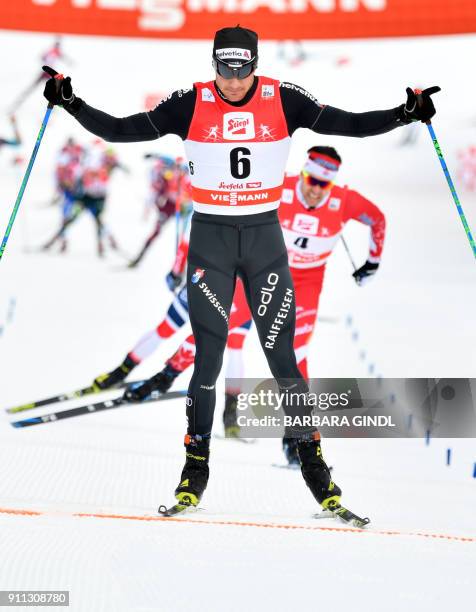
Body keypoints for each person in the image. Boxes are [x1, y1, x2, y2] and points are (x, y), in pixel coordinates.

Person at [43, 26, 439, 517]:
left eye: (242, 69)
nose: (232, 80)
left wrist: (405, 114)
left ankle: (318, 474)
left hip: (263, 244)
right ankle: (194, 471)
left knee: (284, 361)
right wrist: (71, 103)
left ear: (254, 64)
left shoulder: (285, 97)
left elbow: (349, 123)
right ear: (214, 64)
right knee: (207, 360)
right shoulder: (190, 101)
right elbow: (123, 129)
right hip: (211, 242)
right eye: (224, 69)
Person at [117, 146, 386, 455]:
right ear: (303, 173)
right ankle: (165, 376)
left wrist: (372, 263)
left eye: (323, 185)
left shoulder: (345, 201)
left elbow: (378, 220)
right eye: (310, 180)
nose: (314, 190)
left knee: (296, 356)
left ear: (332, 184)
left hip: (306, 282)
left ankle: (296, 437)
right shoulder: (279, 188)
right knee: (215, 329)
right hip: (262, 273)